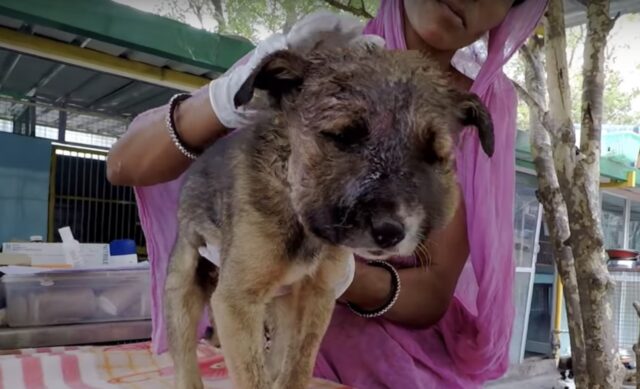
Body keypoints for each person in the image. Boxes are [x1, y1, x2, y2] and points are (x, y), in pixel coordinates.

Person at [107, 0, 548, 387]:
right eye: (343, 136)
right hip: (262, 348)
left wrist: (344, 278)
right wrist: (226, 98)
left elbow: (435, 293)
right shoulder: (314, 60)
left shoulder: (463, 112)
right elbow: (122, 163)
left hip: (401, 368)